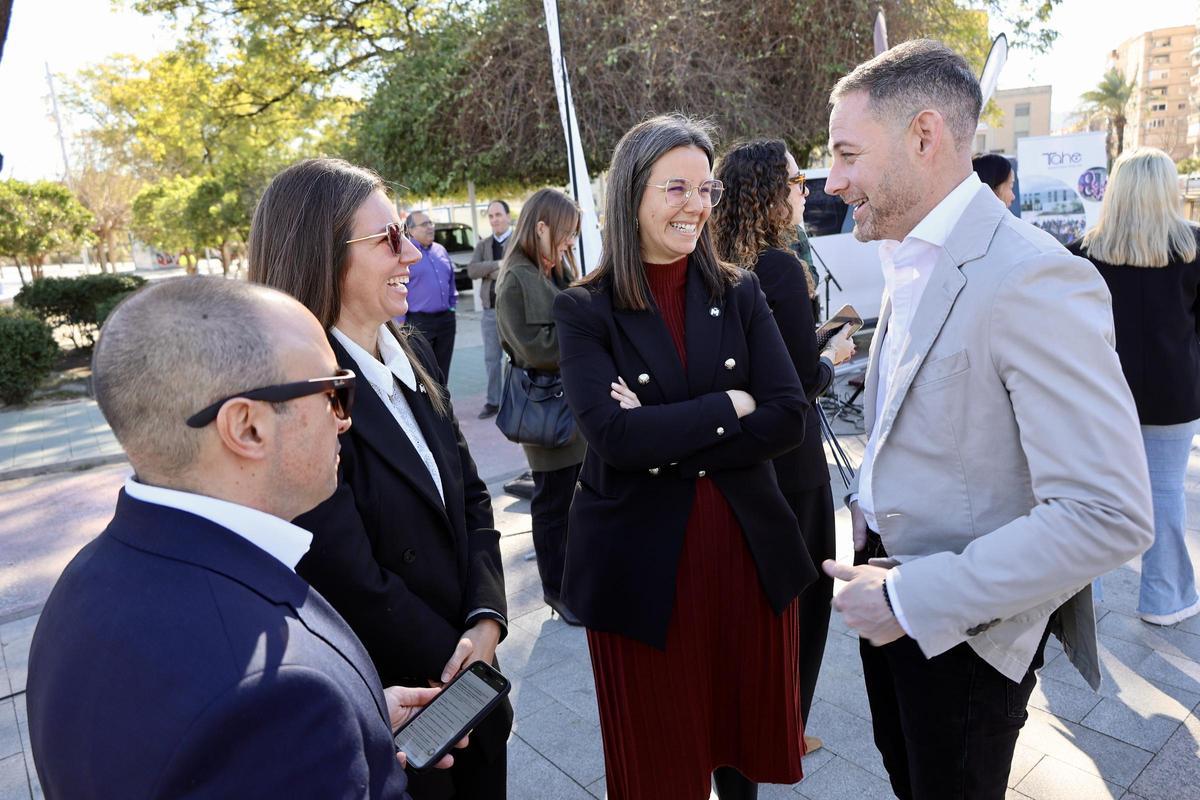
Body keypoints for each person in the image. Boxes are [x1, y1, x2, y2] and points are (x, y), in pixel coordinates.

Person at [821, 40, 1153, 800]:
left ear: (925, 136)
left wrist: (910, 599)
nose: (834, 181)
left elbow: (1109, 512)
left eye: (846, 154)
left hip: (961, 635)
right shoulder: (910, 254)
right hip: (889, 599)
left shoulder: (1033, 275)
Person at [26, 277, 462, 799]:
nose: (345, 421)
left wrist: (353, 731)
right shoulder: (279, 693)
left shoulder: (80, 584)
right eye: (336, 392)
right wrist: (315, 730)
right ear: (247, 427)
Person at [553, 114, 816, 800]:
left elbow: (788, 414)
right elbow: (614, 438)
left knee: (741, 762)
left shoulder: (740, 290)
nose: (698, 205)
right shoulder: (586, 309)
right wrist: (730, 405)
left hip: (745, 562)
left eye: (708, 189)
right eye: (678, 188)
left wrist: (663, 428)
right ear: (632, 194)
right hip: (643, 577)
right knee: (659, 771)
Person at [248, 158, 511, 800]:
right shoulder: (296, 394)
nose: (413, 254)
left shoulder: (411, 348)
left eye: (406, 232)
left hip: (467, 681)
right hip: (398, 707)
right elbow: (346, 572)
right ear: (322, 254)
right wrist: (454, 661)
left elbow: (470, 498)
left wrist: (487, 621)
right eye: (388, 238)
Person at [711, 138, 856, 755]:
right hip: (793, 464)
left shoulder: (718, 262)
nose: (807, 190)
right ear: (770, 194)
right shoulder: (779, 267)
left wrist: (816, 334)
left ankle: (760, 720)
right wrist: (833, 356)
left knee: (757, 602)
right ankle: (785, 728)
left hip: (740, 459)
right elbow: (796, 381)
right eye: (797, 181)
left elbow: (761, 359)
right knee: (807, 596)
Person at [1068, 147, 1200, 627]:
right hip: (1175, 395)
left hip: (1103, 396)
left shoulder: (1085, 251)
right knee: (1165, 495)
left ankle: (1082, 599)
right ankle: (1166, 600)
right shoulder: (1193, 248)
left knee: (1093, 497)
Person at [494, 188, 587, 625]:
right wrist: (589, 338)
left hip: (570, 409)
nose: (570, 241)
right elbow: (534, 349)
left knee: (574, 501)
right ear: (542, 226)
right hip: (546, 411)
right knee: (552, 505)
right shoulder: (516, 277)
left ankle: (576, 583)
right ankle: (558, 590)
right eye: (565, 232)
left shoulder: (551, 269)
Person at [469, 200, 513, 419]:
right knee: (491, 358)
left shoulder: (518, 240)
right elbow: (472, 270)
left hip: (514, 312)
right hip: (489, 311)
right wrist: (497, 265)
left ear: (508, 216)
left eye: (498, 214)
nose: (495, 219)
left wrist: (500, 269)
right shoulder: (483, 245)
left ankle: (514, 399)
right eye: (491, 216)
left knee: (516, 357)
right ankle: (493, 401)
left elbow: (515, 268)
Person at [404, 210, 458, 377]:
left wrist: (452, 307)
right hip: (419, 322)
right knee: (424, 374)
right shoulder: (406, 254)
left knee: (443, 370)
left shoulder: (441, 250)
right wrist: (400, 322)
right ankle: (428, 404)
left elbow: (451, 280)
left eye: (431, 223)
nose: (430, 228)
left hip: (446, 320)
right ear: (410, 230)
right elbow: (398, 285)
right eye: (424, 224)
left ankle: (442, 403)